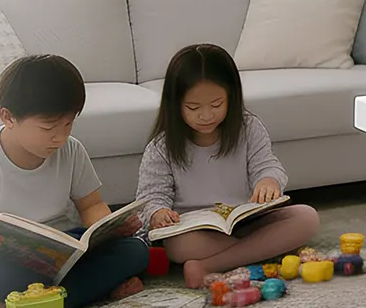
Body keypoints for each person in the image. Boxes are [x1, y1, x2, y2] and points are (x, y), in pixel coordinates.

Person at [0, 55, 148, 308]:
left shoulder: (72, 150)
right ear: (8, 117)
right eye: (48, 128)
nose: (60, 137)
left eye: (68, 124)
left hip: (61, 249)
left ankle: (13, 304)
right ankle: (83, 291)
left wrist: (108, 228)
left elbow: (90, 206)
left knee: (135, 251)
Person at [137, 43, 321, 289]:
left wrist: (268, 181)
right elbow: (150, 196)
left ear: (232, 97)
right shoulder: (161, 147)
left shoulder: (249, 128)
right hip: (197, 231)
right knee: (178, 245)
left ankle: (209, 265)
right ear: (174, 103)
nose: (206, 115)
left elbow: (267, 166)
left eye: (216, 105)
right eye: (193, 108)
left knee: (307, 217)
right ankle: (259, 250)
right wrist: (157, 212)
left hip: (245, 221)